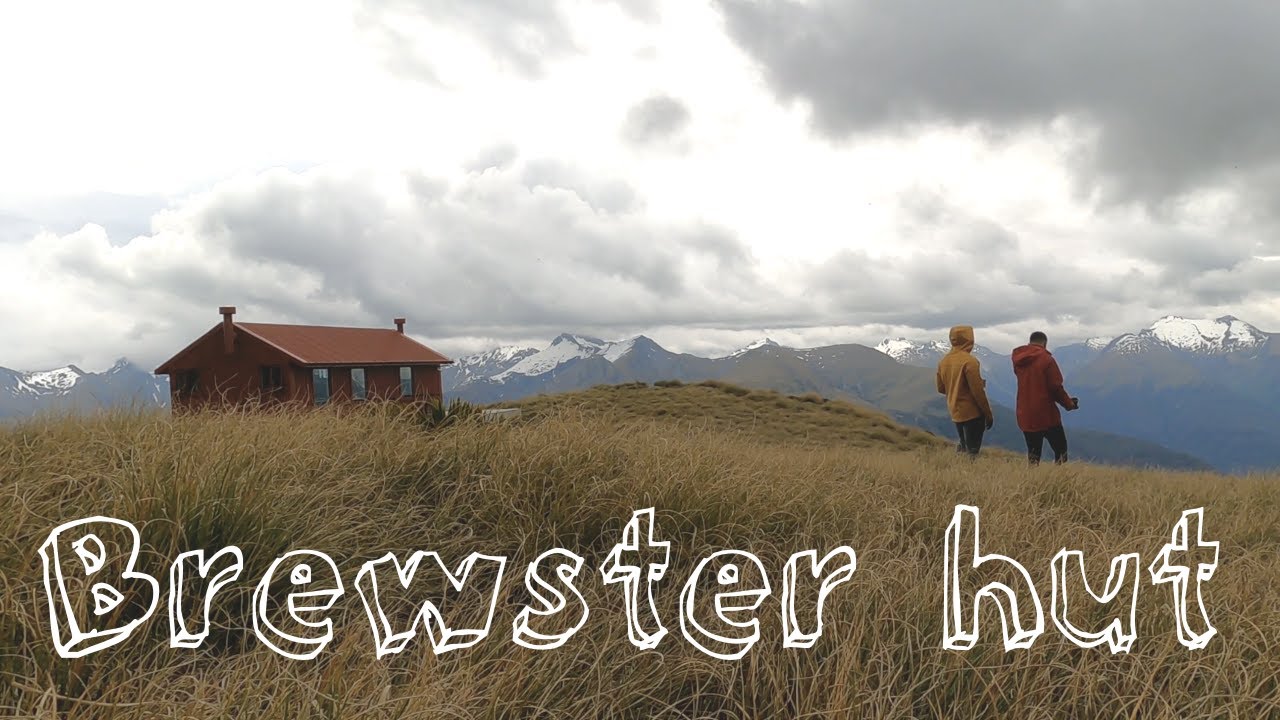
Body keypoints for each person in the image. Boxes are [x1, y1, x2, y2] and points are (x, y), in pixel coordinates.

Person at [1011, 331, 1080, 465]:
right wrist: (1069, 404)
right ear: (1045, 343)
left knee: (1033, 455)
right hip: (1046, 415)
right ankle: (1058, 477)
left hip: (1025, 414)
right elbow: (1056, 388)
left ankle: (1032, 478)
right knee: (1061, 451)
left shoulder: (1018, 360)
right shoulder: (1047, 360)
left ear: (1030, 342)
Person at [936, 325, 995, 458]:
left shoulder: (943, 361)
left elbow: (941, 388)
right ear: (969, 339)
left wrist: (955, 389)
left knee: (963, 447)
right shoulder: (970, 362)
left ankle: (957, 468)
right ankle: (967, 469)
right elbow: (978, 392)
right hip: (973, 413)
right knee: (972, 452)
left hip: (955, 412)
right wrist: (988, 414)